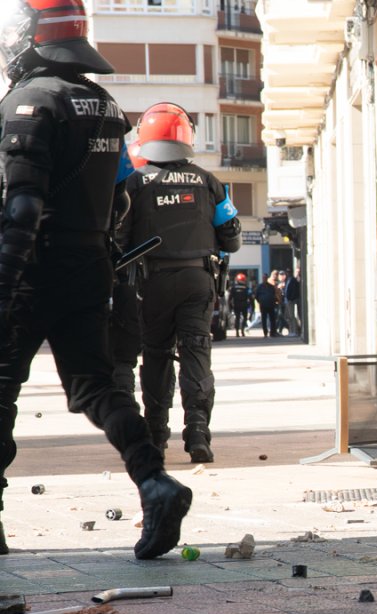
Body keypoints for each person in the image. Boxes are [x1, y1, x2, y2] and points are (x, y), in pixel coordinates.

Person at [0, 0, 191, 558]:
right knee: (95, 388)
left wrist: (6, 279)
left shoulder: (29, 103)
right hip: (90, 267)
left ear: (31, 37)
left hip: (34, 268)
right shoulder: (106, 106)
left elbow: (22, 207)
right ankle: (155, 482)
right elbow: (120, 197)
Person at [118, 102, 241, 464]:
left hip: (151, 282)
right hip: (198, 280)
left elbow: (119, 239)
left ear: (145, 138)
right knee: (196, 353)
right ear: (187, 137)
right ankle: (198, 433)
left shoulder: (135, 183)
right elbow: (232, 238)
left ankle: (156, 437)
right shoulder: (208, 181)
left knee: (156, 356)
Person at [254, 272, 277, 337]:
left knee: (272, 319)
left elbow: (274, 295)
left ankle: (272, 332)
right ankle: (265, 332)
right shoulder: (259, 287)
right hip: (263, 305)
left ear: (267, 278)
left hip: (271, 305)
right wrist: (260, 301)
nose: (265, 279)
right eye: (264, 278)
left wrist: (273, 301)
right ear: (262, 278)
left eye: (266, 277)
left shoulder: (271, 286)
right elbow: (256, 296)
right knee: (264, 319)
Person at [229, 271, 251, 337]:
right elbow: (250, 297)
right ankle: (242, 331)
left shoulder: (233, 288)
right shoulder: (246, 288)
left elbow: (230, 298)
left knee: (237, 318)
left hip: (236, 304)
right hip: (244, 304)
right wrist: (251, 305)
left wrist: (230, 306)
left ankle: (237, 332)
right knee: (244, 318)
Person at [284, 267, 301, 338]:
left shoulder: (293, 280)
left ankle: (294, 331)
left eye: (289, 272)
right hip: (287, 300)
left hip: (291, 300)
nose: (288, 273)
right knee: (288, 317)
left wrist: (291, 298)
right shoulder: (287, 280)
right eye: (287, 272)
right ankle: (291, 331)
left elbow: (294, 291)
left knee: (292, 316)